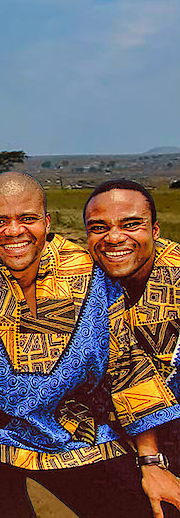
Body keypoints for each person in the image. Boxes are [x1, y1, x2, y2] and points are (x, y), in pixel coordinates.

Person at [0, 171, 180, 518]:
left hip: (74, 432)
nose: (13, 231)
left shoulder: (86, 269)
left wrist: (151, 463)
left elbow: (126, 364)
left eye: (27, 219)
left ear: (47, 222)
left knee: (156, 507)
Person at [84, 179, 180, 516]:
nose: (113, 238)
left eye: (131, 224)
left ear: (155, 229)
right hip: (116, 435)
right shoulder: (84, 285)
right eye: (99, 228)